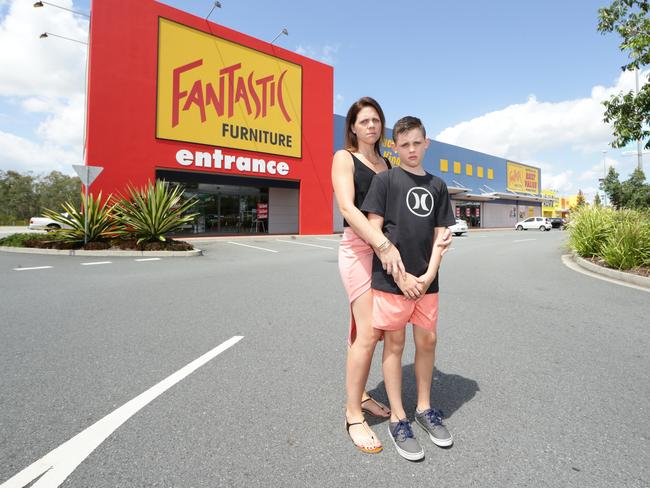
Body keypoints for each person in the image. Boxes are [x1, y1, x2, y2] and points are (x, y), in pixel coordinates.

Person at [332, 98, 451, 454]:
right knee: (368, 333)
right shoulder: (345, 158)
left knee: (376, 332)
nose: (370, 126)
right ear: (352, 126)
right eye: (363, 120)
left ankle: (363, 394)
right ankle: (353, 413)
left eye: (375, 121)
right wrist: (383, 246)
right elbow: (347, 208)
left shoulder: (386, 164)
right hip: (361, 249)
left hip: (387, 253)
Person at [361, 116, 456, 461]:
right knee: (395, 343)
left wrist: (429, 275)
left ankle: (425, 408)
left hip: (427, 281)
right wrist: (401, 276)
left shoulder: (438, 185)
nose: (411, 150)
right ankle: (399, 417)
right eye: (404, 145)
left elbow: (440, 236)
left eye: (417, 143)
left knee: (427, 340)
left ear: (426, 143)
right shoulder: (385, 181)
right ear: (394, 147)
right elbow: (375, 233)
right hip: (391, 280)